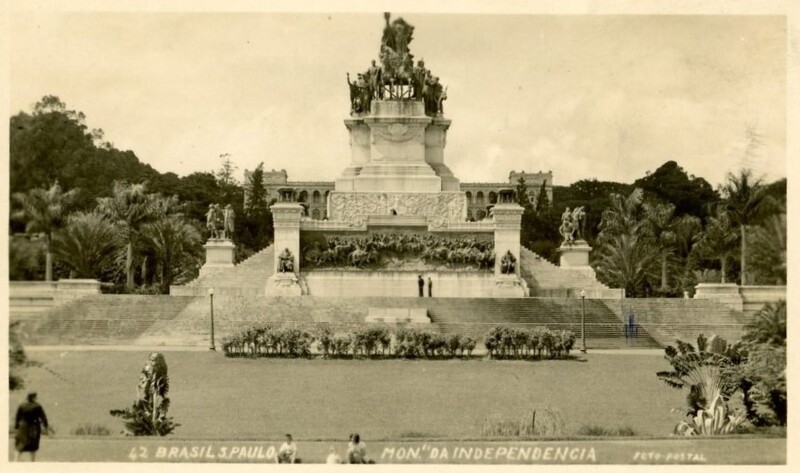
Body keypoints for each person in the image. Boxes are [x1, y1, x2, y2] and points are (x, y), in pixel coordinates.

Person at [14, 392, 49, 462]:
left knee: (20, 443)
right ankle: (32, 461)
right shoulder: (37, 406)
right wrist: (46, 426)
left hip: (23, 427)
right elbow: (43, 417)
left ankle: (16, 460)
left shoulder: (22, 405)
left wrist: (16, 426)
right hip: (34, 427)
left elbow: (17, 417)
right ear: (34, 398)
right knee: (33, 444)